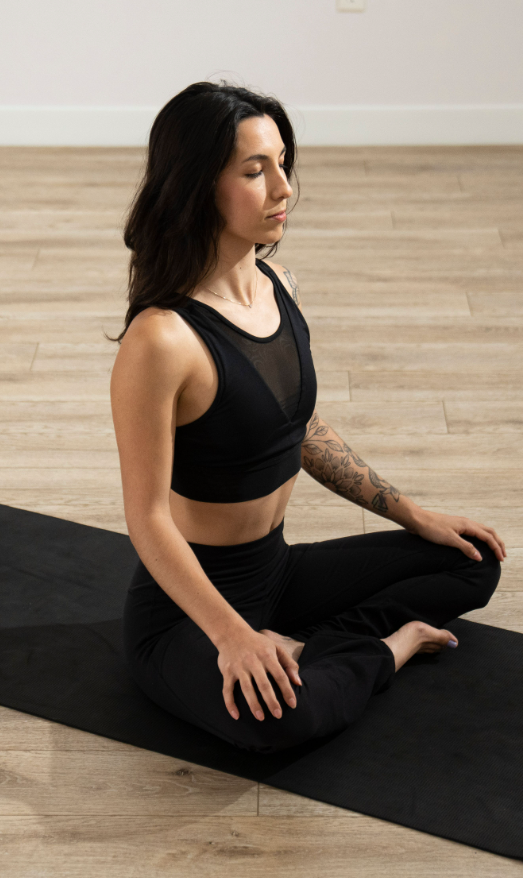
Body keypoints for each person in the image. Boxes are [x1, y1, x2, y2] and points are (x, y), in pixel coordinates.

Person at [109, 81, 504, 754]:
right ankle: (389, 648)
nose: (283, 187)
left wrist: (412, 514)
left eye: (283, 164)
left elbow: (299, 431)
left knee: (473, 561)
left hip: (276, 571)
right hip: (189, 609)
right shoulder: (161, 339)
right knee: (275, 725)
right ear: (197, 183)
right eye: (254, 170)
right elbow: (146, 519)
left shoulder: (277, 285)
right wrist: (231, 635)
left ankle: (310, 647)